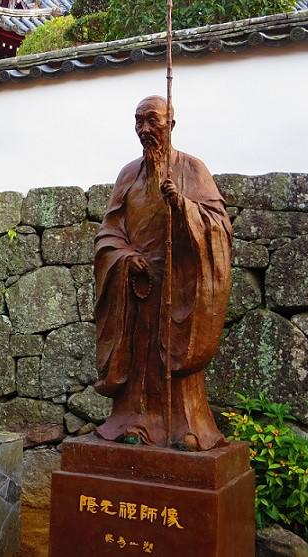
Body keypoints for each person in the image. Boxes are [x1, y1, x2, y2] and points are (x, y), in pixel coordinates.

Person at [93, 95, 231, 451]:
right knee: (140, 360)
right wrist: (124, 257)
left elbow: (218, 226)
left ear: (171, 124)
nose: (144, 129)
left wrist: (182, 205)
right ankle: (134, 422)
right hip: (138, 285)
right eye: (138, 121)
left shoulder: (192, 169)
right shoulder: (128, 175)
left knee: (172, 358)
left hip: (178, 281)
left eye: (152, 121)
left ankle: (185, 427)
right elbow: (110, 231)